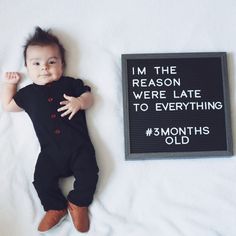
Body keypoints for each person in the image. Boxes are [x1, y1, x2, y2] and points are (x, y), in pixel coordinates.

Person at [1, 27, 99, 233]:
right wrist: (9, 84)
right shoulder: (28, 94)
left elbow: (89, 96)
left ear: (62, 64)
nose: (44, 68)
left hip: (79, 147)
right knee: (41, 180)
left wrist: (80, 102)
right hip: (50, 152)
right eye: (36, 63)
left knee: (90, 173)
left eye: (51, 62)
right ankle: (55, 207)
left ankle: (78, 203)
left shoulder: (70, 84)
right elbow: (8, 105)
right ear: (27, 67)